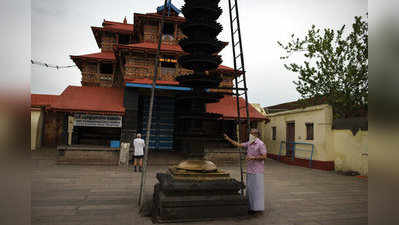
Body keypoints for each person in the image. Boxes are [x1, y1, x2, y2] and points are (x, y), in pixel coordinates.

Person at [224, 128, 267, 215]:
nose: (250, 135)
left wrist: (253, 158)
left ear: (256, 135)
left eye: (252, 133)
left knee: (257, 189)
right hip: (250, 170)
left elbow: (264, 156)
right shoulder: (250, 143)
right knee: (250, 189)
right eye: (250, 133)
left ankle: (257, 208)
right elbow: (239, 145)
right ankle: (251, 207)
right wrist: (228, 139)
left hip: (257, 171)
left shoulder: (260, 144)